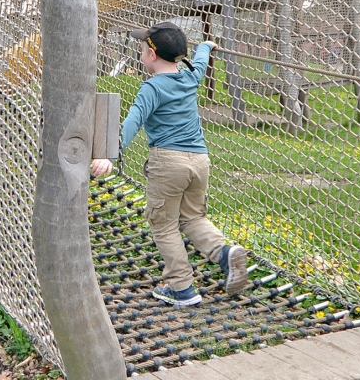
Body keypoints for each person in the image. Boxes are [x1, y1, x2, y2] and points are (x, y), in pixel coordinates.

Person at [90, 21, 249, 307]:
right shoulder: (190, 77)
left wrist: (108, 155)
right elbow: (199, 63)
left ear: (151, 55)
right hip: (200, 160)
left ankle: (181, 287)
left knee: (163, 225)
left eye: (142, 47)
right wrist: (205, 47)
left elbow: (134, 121)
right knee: (193, 218)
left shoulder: (151, 88)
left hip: (168, 162)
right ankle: (224, 253)